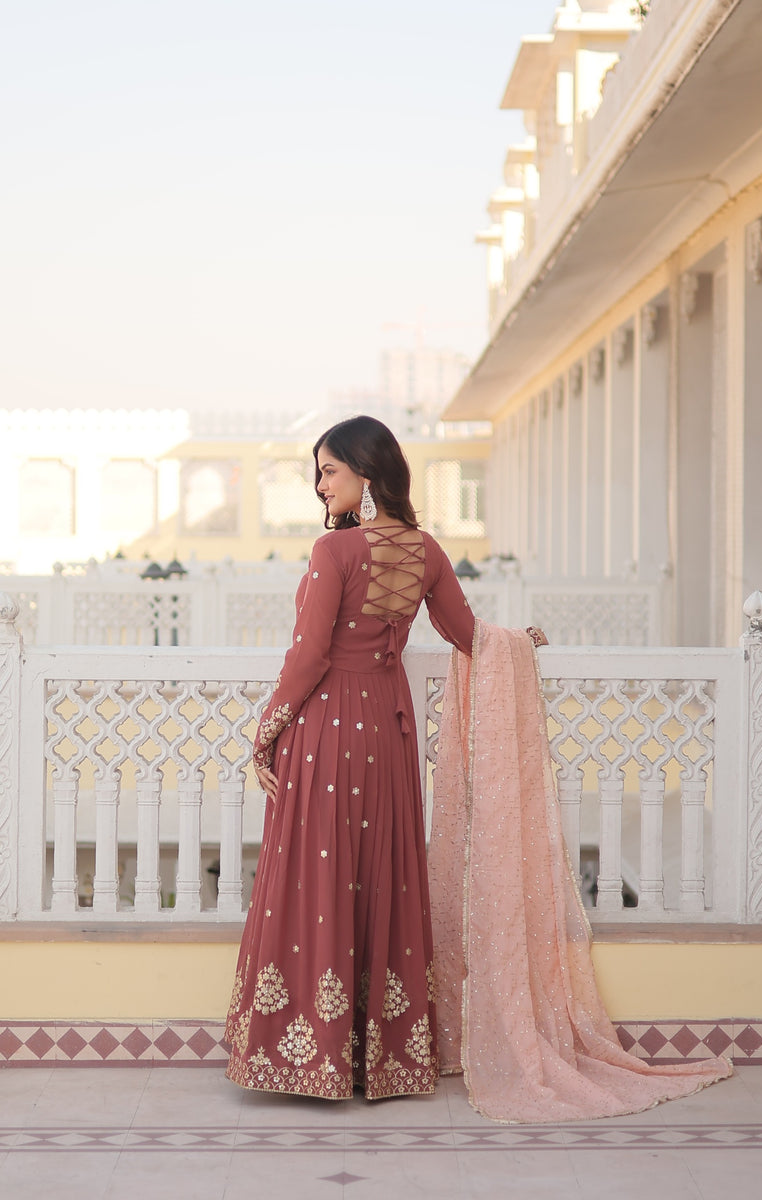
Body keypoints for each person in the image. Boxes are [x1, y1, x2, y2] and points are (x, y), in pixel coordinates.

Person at [224, 415, 475, 1100]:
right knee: (383, 878)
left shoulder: (334, 552)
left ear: (367, 472)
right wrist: (523, 643)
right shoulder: (425, 551)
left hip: (329, 727)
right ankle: (382, 1060)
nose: (319, 483)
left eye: (329, 469)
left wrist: (267, 730)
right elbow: (469, 634)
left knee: (313, 878)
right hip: (388, 735)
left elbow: (308, 656)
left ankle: (315, 1058)